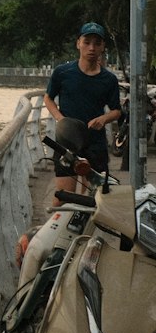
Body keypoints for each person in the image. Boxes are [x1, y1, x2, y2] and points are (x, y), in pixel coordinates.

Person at [43, 23, 121, 201]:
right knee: (63, 199)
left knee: (95, 201)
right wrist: (61, 120)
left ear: (102, 47)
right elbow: (48, 98)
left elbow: (116, 110)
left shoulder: (108, 79)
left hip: (95, 144)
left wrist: (104, 118)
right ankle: (50, 230)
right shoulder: (63, 72)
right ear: (78, 43)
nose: (91, 48)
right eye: (87, 42)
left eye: (97, 43)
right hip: (67, 143)